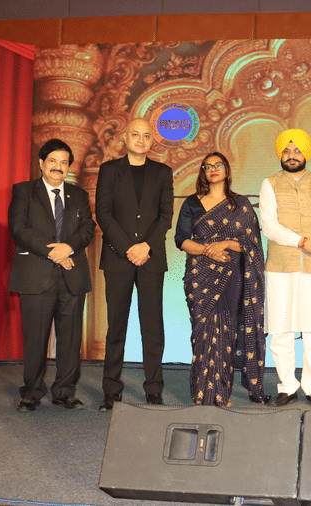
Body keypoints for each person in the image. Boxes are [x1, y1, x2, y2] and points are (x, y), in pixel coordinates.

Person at [8, 139, 96, 411]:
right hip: (36, 273)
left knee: (69, 338)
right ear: (41, 164)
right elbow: (19, 229)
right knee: (35, 337)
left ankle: (64, 391)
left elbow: (88, 227)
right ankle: (32, 392)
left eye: (64, 162)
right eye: (53, 161)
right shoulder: (24, 191)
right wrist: (54, 253)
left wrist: (68, 247)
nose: (58, 167)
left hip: (72, 276)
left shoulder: (78, 195)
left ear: (69, 166)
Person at [175, 152, 267, 407]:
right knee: (203, 334)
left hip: (233, 274)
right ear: (203, 172)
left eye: (218, 165)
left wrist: (224, 243)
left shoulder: (241, 204)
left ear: (226, 169)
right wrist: (207, 250)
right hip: (200, 275)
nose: (213, 170)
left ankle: (221, 394)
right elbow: (181, 239)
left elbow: (251, 242)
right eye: (208, 166)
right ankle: (203, 393)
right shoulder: (192, 203)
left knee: (226, 332)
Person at [96, 118, 174, 411]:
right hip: (118, 258)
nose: (140, 140)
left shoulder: (163, 173)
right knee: (116, 327)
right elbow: (103, 213)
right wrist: (128, 247)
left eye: (146, 136)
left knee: (152, 326)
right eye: (135, 134)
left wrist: (145, 247)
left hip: (151, 260)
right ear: (125, 137)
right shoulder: (109, 170)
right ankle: (111, 390)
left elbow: (165, 216)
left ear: (152, 141)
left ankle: (154, 389)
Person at [259, 129, 311, 408]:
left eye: (297, 151)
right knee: (280, 329)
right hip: (280, 265)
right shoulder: (269, 183)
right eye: (286, 151)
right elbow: (270, 226)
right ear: (280, 154)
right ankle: (287, 386)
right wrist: (302, 241)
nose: (291, 156)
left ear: (306, 153)